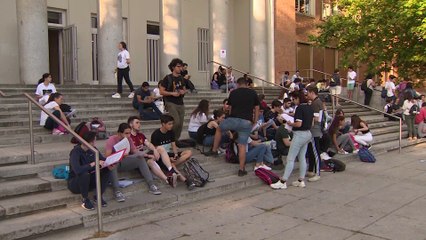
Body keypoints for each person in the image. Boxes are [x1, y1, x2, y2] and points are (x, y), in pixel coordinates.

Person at [205, 77, 260, 177]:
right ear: (247, 84)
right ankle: (241, 169)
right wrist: (255, 121)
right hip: (246, 122)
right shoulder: (253, 93)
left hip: (233, 119)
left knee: (219, 129)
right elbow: (257, 108)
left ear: (238, 84)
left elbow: (229, 107)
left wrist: (229, 117)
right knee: (242, 145)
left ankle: (214, 150)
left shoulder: (233, 92)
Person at [106, 123, 161, 202]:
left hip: (125, 161)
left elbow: (134, 151)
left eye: (129, 133)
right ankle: (117, 191)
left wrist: (144, 154)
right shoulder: (112, 140)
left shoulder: (129, 139)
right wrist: (119, 154)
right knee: (112, 165)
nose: (128, 135)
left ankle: (151, 184)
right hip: (115, 162)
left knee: (140, 159)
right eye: (126, 133)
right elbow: (107, 156)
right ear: (119, 133)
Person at [270, 90, 313, 190]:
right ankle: (301, 180)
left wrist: (290, 124)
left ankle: (283, 181)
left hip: (299, 134)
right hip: (308, 133)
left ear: (297, 98)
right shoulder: (309, 107)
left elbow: (298, 124)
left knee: (290, 158)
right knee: (302, 157)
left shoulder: (300, 108)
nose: (293, 101)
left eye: (294, 99)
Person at [127, 116, 178, 187]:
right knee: (150, 162)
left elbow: (148, 143)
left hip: (144, 155)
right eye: (137, 123)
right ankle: (167, 179)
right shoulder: (128, 137)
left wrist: (154, 150)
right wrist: (148, 155)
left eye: (139, 123)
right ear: (131, 124)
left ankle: (170, 170)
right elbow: (133, 152)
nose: (139, 125)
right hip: (137, 158)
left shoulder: (140, 135)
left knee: (160, 148)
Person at [151, 115, 196, 190]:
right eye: (169, 124)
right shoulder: (156, 134)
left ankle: (172, 164)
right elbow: (157, 151)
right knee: (170, 163)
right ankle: (186, 181)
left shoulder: (171, 132)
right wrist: (168, 158)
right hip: (161, 157)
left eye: (172, 124)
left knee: (188, 152)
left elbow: (173, 145)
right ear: (163, 124)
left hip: (169, 154)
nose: (171, 126)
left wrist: (175, 154)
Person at [68, 132, 111, 210]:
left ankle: (98, 196)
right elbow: (77, 170)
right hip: (76, 182)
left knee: (106, 170)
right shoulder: (75, 152)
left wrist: (112, 161)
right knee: (84, 174)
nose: (94, 143)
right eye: (93, 141)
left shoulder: (93, 149)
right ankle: (85, 199)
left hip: (90, 180)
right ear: (88, 142)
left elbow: (102, 159)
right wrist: (93, 164)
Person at [160, 58, 187, 141]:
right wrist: (172, 93)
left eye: (181, 67)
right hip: (171, 102)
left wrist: (183, 92)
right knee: (176, 122)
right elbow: (161, 91)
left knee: (180, 124)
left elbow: (184, 89)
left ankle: (175, 140)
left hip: (180, 103)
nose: (180, 68)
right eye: (178, 66)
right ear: (173, 67)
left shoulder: (181, 78)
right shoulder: (167, 78)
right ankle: (170, 139)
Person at [306, 86, 323, 182]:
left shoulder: (316, 103)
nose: (307, 95)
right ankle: (311, 170)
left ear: (312, 92)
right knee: (312, 151)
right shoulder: (317, 102)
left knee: (315, 151)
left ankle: (317, 172)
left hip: (314, 130)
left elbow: (316, 118)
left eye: (308, 92)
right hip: (315, 129)